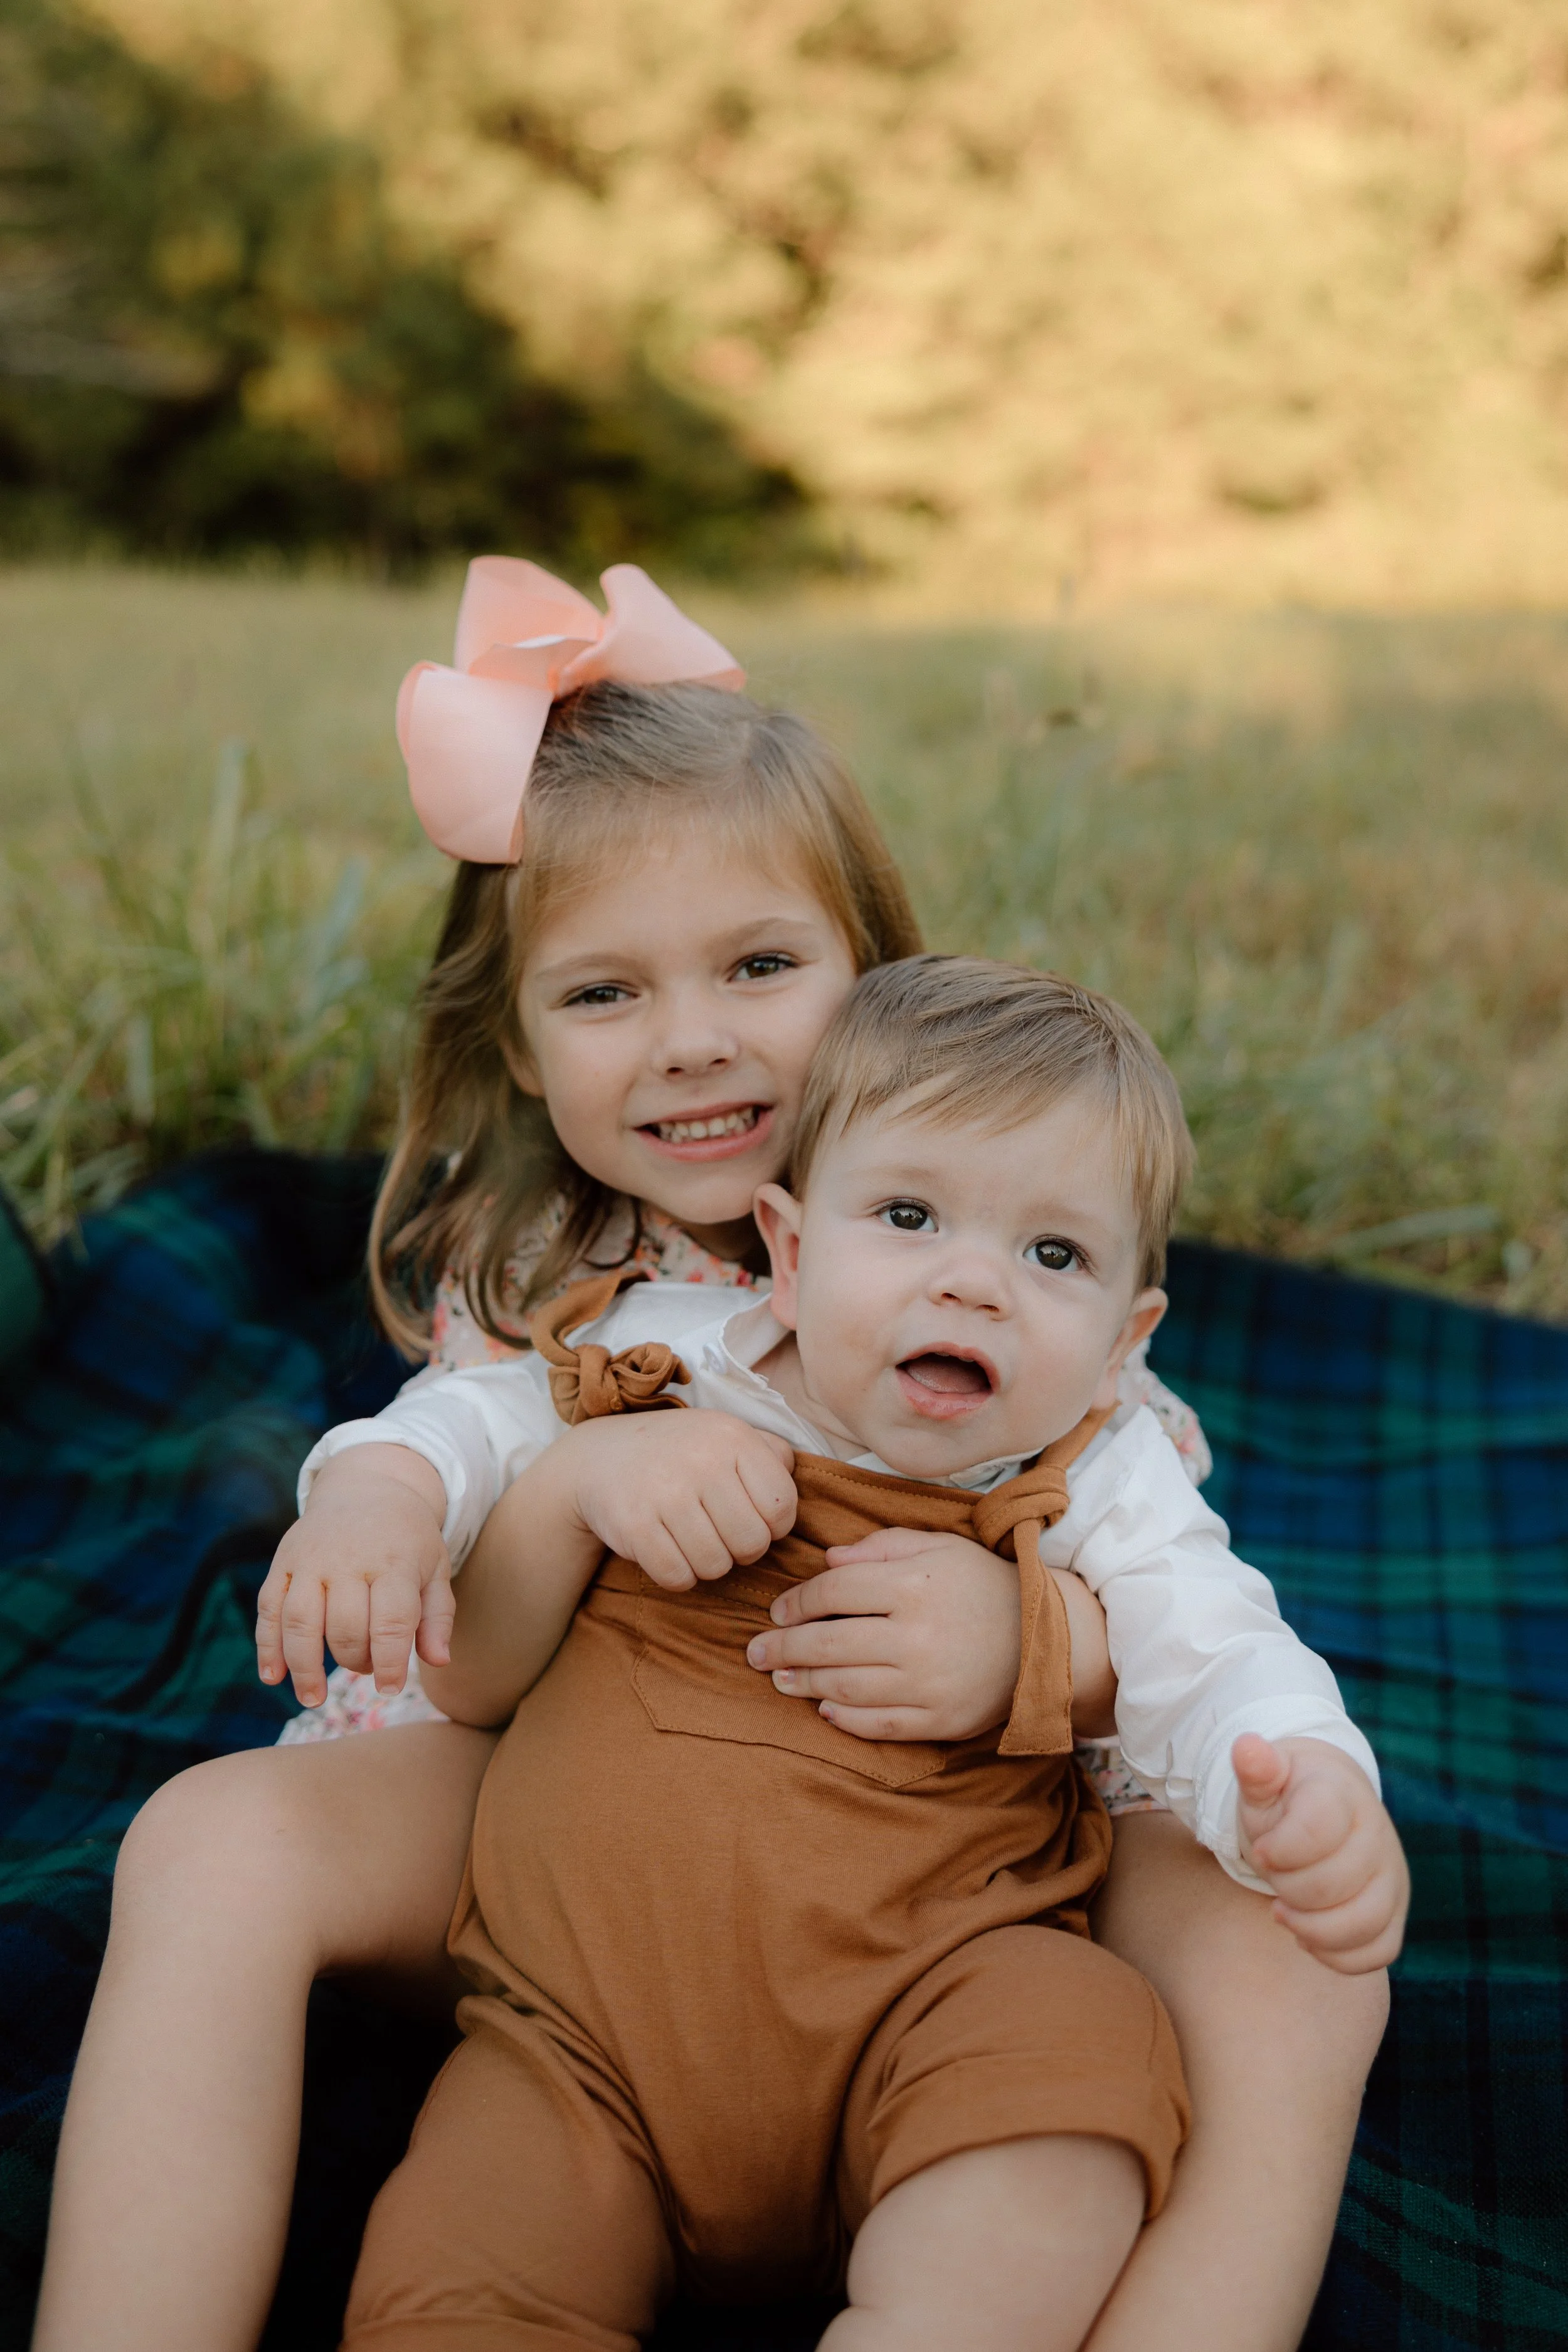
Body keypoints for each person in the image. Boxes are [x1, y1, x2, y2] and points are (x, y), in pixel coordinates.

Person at [31, 563, 1391, 2352]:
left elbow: (1175, 1596)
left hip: (943, 1855)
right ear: (515, 1043)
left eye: (761, 964)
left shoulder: (991, 1267)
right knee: (206, 1839)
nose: (695, 1039)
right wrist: (486, 1487)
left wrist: (1023, 1647)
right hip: (575, 1823)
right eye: (605, 993)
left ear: (872, 966)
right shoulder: (560, 1302)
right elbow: (462, 1611)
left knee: (1304, 1946)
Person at [329, 955, 1409, 2351]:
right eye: (907, 1217)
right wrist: (373, 1496)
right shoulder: (660, 1360)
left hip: (935, 2010)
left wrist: (1308, 1780)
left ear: (1124, 1335)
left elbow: (1218, 1650)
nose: (972, 1286)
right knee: (458, 2283)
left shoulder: (1096, 1474)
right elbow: (458, 1428)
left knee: (1066, 2095)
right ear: (785, 1249)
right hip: (574, 2047)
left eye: (1053, 1256)